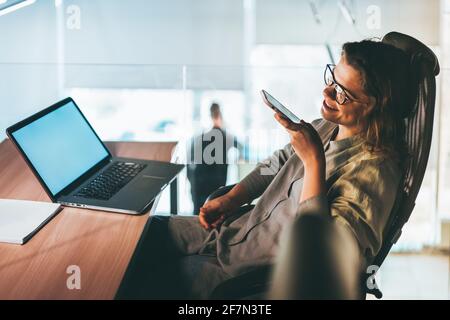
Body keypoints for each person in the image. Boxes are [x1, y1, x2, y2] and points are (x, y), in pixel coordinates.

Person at [116, 39, 418, 299]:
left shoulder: (374, 174)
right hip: (237, 230)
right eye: (332, 78)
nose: (327, 92)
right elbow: (276, 164)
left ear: (376, 106)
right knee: (140, 238)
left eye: (341, 93)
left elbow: (322, 263)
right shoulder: (325, 127)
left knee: (141, 282)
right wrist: (232, 198)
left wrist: (314, 162)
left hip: (252, 271)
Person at [187, 103, 241, 215]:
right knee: (213, 213)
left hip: (200, 181)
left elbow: (190, 160)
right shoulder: (225, 136)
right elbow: (240, 148)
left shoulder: (200, 137)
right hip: (214, 182)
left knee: (199, 213)